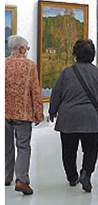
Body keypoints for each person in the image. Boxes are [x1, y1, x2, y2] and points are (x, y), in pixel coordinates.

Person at [49, 39, 98, 192]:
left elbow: (56, 93)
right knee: (91, 149)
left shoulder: (66, 72)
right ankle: (86, 173)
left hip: (68, 118)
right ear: (92, 55)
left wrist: (52, 110)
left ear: (75, 55)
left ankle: (72, 177)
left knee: (68, 150)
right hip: (90, 118)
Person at [5, 35, 44, 195]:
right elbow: (35, 91)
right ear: (22, 48)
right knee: (23, 146)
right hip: (23, 112)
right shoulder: (30, 66)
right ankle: (21, 179)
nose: (27, 51)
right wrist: (39, 113)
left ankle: (6, 176)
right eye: (27, 48)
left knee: (6, 145)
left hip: (4, 111)